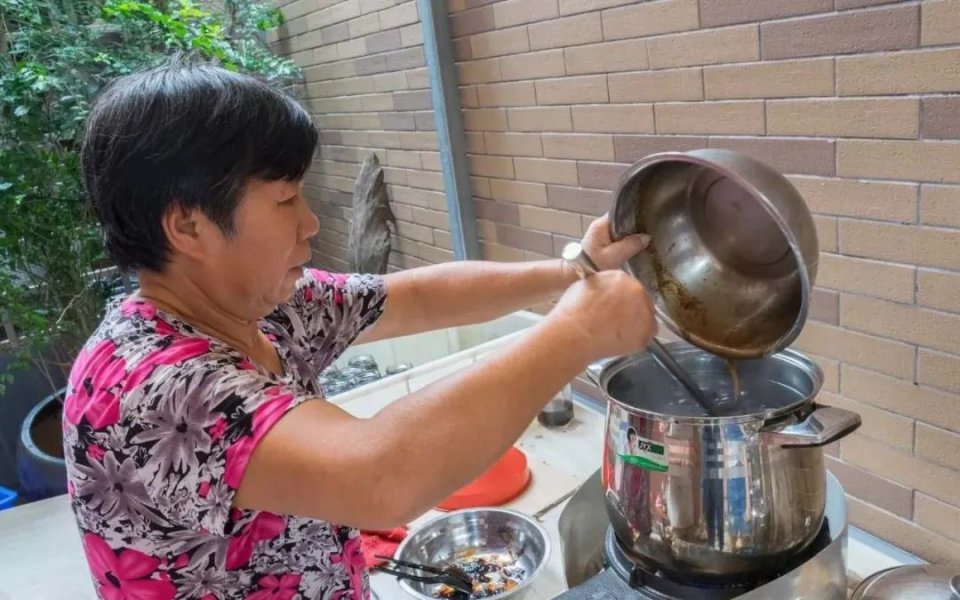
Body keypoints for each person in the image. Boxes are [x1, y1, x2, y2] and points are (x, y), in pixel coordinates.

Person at [64, 57, 657, 600]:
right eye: (286, 199)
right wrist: (574, 333)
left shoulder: (256, 304)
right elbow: (382, 475)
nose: (311, 222)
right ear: (189, 227)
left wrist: (572, 270)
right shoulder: (151, 385)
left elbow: (415, 298)